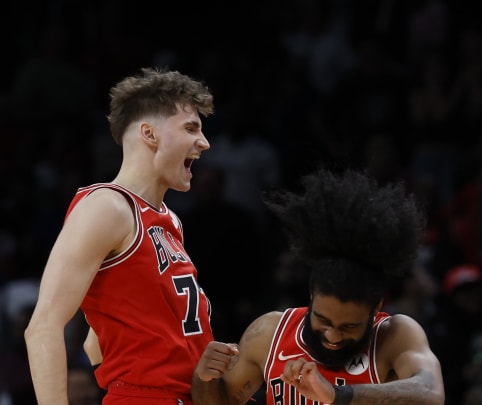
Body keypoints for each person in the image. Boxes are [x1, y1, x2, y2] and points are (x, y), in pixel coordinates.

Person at [24, 67, 216, 404]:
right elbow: (43, 325)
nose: (204, 142)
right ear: (149, 133)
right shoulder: (107, 207)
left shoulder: (170, 221)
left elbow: (95, 341)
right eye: (190, 128)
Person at [191, 169, 445, 405]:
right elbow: (220, 400)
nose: (332, 336)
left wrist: (336, 395)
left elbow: (431, 394)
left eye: (349, 326)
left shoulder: (394, 335)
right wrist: (206, 377)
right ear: (312, 296)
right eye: (323, 320)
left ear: (376, 307)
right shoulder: (269, 333)